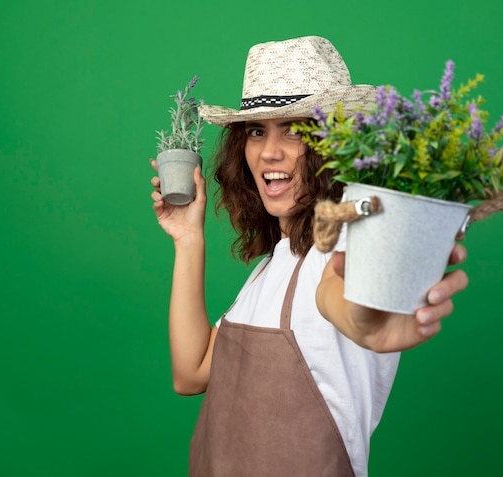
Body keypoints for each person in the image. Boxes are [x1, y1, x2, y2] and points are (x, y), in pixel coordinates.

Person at [150, 36, 468, 477]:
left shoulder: (341, 241)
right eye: (257, 131)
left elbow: (339, 294)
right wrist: (188, 240)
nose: (269, 152)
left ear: (336, 143)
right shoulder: (270, 267)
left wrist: (369, 320)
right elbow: (191, 373)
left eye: (296, 130)